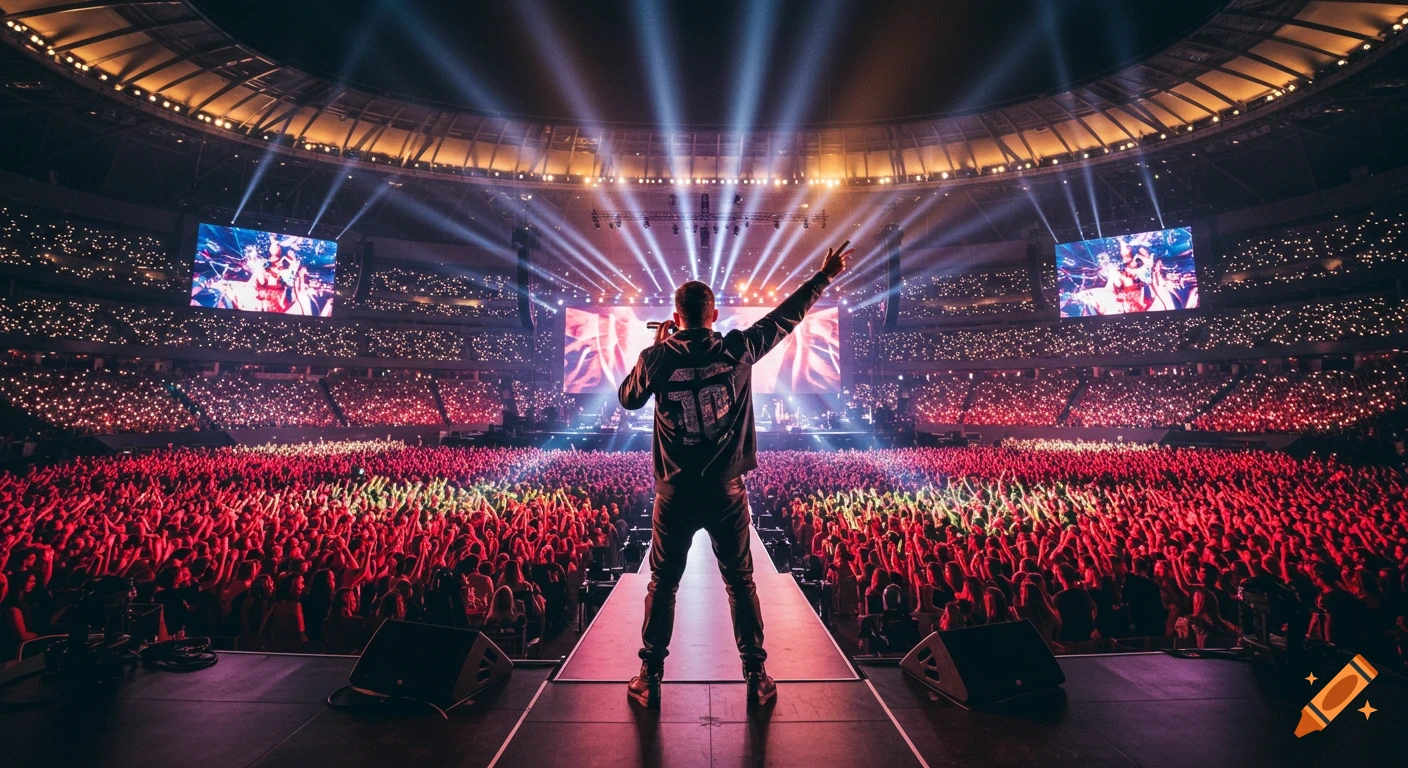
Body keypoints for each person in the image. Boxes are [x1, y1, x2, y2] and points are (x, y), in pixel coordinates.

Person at [618, 238, 853, 708]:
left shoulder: (659, 356)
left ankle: (649, 675)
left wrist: (659, 346)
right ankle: (757, 674)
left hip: (676, 492)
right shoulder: (738, 349)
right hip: (727, 490)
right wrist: (823, 276)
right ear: (715, 314)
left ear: (676, 314)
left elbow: (628, 398)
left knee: (663, 583)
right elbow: (785, 318)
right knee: (740, 582)